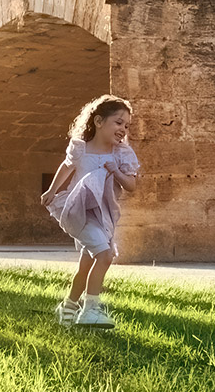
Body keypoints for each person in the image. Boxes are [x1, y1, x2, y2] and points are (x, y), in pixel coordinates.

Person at [39, 95, 141, 329]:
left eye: (127, 126)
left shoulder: (121, 154)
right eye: (118, 122)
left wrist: (116, 171)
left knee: (86, 264)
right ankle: (90, 310)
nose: (123, 129)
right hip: (79, 211)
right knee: (105, 255)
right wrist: (52, 190)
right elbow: (67, 166)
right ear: (98, 121)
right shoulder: (80, 149)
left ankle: (68, 307)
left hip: (104, 215)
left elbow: (131, 185)